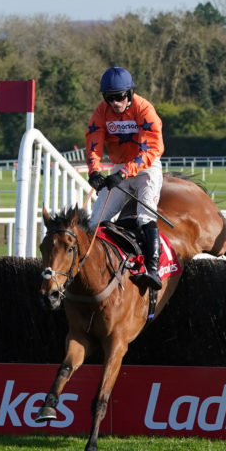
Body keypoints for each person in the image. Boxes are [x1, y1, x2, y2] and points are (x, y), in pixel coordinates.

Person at [85, 67, 165, 290]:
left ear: (129, 93)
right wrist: (94, 171)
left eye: (119, 97)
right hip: (121, 168)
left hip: (146, 166)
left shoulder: (145, 109)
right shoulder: (101, 112)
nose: (115, 103)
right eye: (109, 98)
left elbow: (152, 150)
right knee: (95, 221)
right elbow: (94, 141)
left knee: (144, 215)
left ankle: (152, 269)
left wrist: (122, 173)